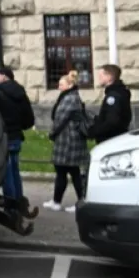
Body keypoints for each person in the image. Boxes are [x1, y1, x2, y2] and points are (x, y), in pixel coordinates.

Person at [0, 66, 35, 208]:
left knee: (6, 173)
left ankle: (11, 204)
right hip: (16, 137)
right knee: (15, 170)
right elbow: (29, 118)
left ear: (4, 76)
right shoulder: (21, 93)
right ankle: (19, 199)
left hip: (4, 138)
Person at [47, 70, 89, 212]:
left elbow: (60, 119)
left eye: (61, 84)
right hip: (68, 139)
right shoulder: (69, 96)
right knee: (64, 171)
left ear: (70, 85)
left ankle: (80, 203)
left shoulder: (70, 98)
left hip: (69, 140)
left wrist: (52, 133)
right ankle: (57, 201)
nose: (59, 87)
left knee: (72, 172)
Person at [89, 64, 132, 144]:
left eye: (101, 75)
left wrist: (95, 132)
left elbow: (112, 121)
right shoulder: (120, 91)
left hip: (110, 139)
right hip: (117, 137)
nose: (99, 78)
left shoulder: (113, 96)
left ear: (109, 77)